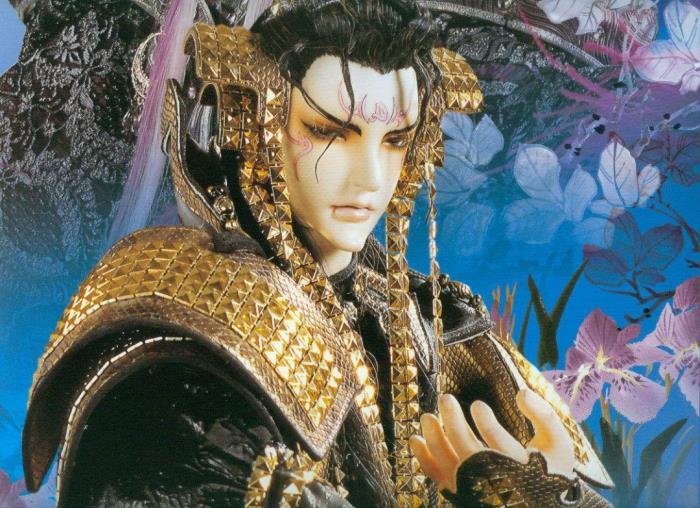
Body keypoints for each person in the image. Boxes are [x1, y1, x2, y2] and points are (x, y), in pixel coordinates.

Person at [21, 1, 614, 506]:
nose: (371, 177)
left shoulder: (441, 326)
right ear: (255, 123)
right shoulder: (183, 361)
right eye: (329, 131)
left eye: (396, 140)